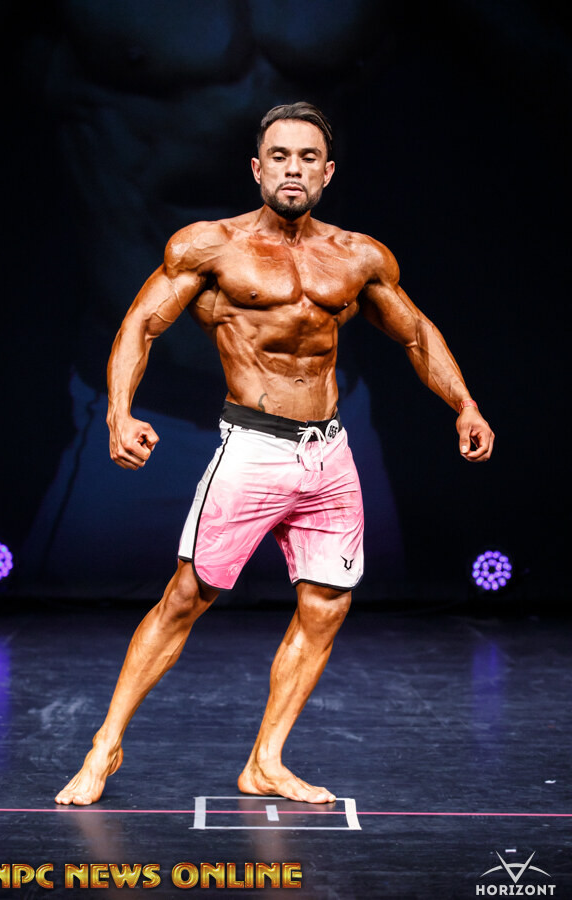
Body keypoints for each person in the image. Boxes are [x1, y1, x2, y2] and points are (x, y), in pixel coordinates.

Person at [55, 102, 494, 807]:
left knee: (326, 606)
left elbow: (416, 333)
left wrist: (464, 403)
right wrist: (119, 413)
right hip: (253, 448)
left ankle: (266, 760)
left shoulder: (359, 256)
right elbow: (140, 325)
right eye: (281, 157)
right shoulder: (210, 247)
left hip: (330, 453)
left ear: (327, 172)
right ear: (258, 169)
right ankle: (105, 745)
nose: (294, 169)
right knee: (187, 596)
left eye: (307, 158)